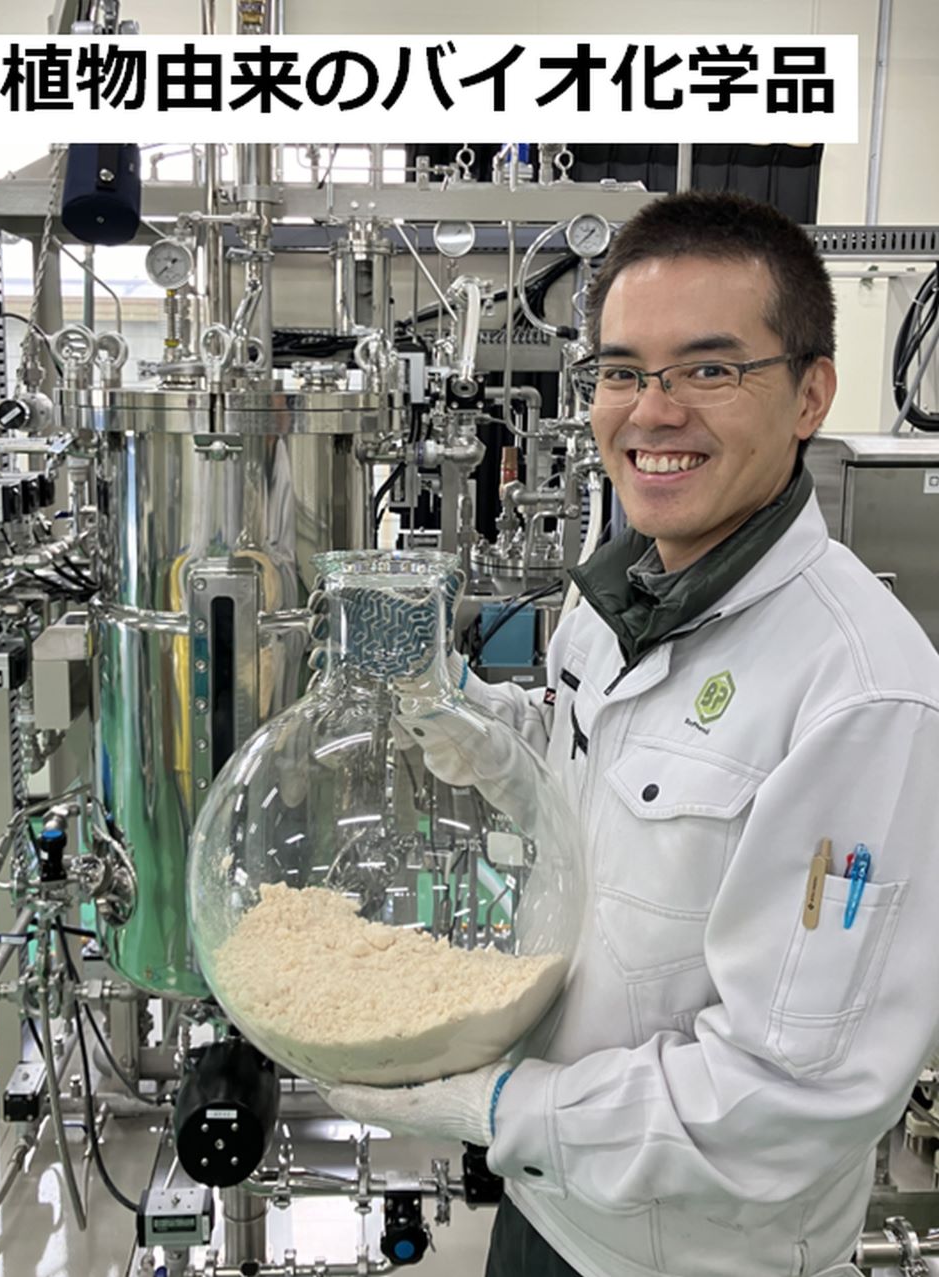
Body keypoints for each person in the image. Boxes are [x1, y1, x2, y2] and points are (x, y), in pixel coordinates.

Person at [324, 191, 939, 1277]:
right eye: (621, 372)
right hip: (551, 1202)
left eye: (708, 370)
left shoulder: (863, 694)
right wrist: (459, 714)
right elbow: (591, 776)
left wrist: (496, 1104)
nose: (652, 412)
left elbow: (789, 1099)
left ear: (810, 394)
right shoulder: (619, 595)